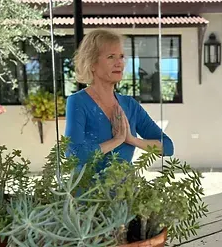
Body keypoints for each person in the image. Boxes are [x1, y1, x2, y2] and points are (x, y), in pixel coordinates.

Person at [64, 29, 174, 169]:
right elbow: (73, 155)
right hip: (89, 190)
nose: (119, 63)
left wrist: (132, 140)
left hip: (125, 190)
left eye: (121, 56)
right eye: (111, 57)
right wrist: (116, 140)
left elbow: (168, 147)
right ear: (91, 63)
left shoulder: (130, 105)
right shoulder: (78, 102)